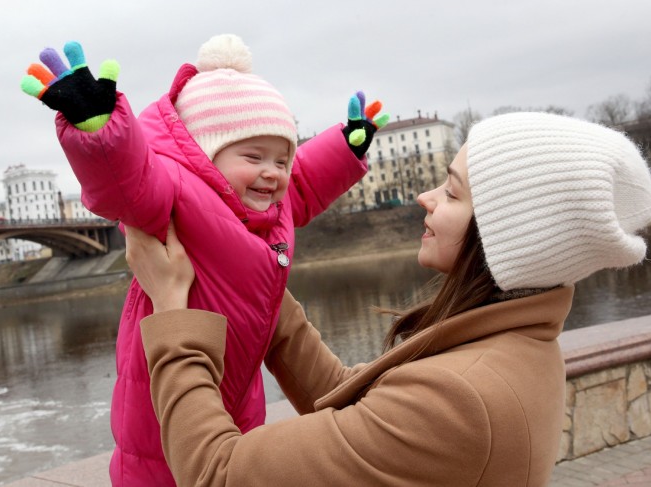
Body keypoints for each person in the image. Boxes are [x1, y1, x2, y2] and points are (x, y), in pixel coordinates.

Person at [125, 111, 651, 487]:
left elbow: (218, 473)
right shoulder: (514, 347)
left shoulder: (460, 399)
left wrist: (176, 311)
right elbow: (350, 401)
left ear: (503, 233)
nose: (426, 198)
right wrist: (252, 279)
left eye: (451, 192)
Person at [20, 34, 387, 486]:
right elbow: (129, 182)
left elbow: (306, 182)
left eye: (282, 158)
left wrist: (345, 150)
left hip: (234, 394)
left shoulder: (267, 208)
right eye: (254, 157)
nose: (272, 172)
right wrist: (100, 130)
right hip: (163, 413)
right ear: (207, 155)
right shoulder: (175, 191)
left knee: (236, 458)